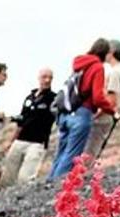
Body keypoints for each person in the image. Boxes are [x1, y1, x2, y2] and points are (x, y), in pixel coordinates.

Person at [48, 39, 116, 180]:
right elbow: (97, 97)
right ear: (105, 53)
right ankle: (58, 187)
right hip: (82, 113)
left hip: (66, 114)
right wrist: (111, 109)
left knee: (61, 153)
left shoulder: (79, 64)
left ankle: (48, 184)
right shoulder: (97, 67)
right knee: (71, 155)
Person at [0, 68, 57, 187]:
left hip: (37, 143)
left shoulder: (53, 98)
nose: (47, 80)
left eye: (50, 78)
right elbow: (21, 121)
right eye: (44, 77)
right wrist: (11, 141)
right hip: (20, 140)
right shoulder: (29, 98)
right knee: (7, 176)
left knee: (25, 178)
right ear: (39, 78)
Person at [85, 39, 120, 164]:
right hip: (103, 117)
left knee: (89, 153)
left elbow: (111, 100)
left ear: (111, 52)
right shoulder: (116, 71)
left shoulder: (114, 73)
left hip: (102, 119)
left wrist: (95, 116)